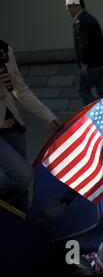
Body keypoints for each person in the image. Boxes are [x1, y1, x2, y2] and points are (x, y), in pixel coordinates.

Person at [0, 39, 61, 212]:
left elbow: (20, 89)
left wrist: (49, 117)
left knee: (21, 191)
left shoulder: (5, 49)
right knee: (22, 175)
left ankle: (22, 230)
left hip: (13, 125)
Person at [66, 0, 103, 105]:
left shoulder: (81, 21)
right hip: (102, 61)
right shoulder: (90, 18)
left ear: (77, 5)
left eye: (68, 7)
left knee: (83, 90)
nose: (67, 10)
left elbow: (83, 43)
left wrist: (84, 63)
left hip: (92, 64)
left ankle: (96, 114)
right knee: (102, 92)